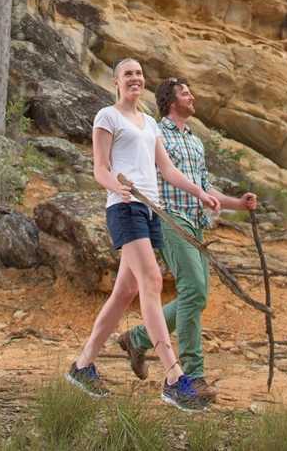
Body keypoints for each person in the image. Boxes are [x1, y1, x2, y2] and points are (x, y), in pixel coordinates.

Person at [66, 59, 221, 412]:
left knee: (126, 292)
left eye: (139, 74)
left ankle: (82, 365)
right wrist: (116, 189)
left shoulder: (149, 123)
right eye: (128, 74)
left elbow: (167, 170)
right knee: (151, 279)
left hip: (150, 211)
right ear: (116, 82)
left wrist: (200, 193)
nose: (135, 78)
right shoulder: (108, 116)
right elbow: (100, 169)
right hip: (124, 207)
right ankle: (173, 378)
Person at [117, 77, 258, 403]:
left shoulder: (196, 142)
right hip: (168, 219)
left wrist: (238, 203)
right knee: (193, 291)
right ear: (170, 100)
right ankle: (192, 375)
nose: (192, 97)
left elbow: (205, 187)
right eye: (185, 93)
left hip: (195, 225)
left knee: (197, 297)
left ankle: (137, 338)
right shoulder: (155, 133)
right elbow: (157, 172)